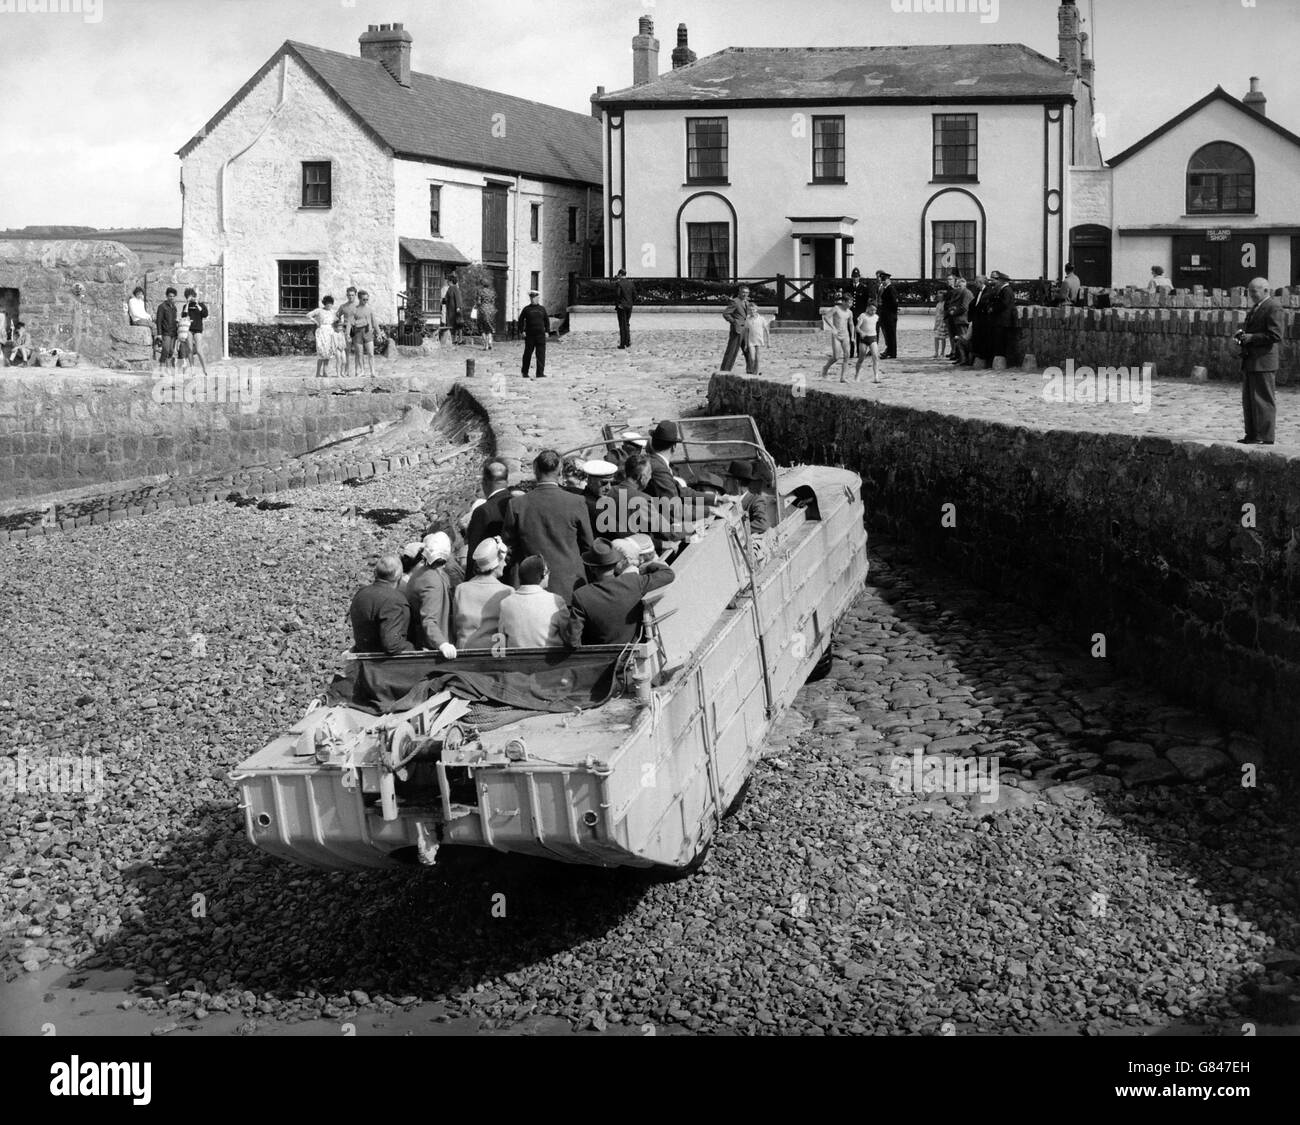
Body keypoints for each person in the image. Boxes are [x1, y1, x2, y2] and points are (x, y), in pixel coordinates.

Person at [501, 448, 594, 602]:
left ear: (535, 470)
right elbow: (588, 546)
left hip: (532, 588)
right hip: (570, 587)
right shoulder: (576, 502)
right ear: (560, 471)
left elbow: (507, 548)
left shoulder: (516, 505)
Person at [563, 539, 676, 648]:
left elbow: (572, 641)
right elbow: (668, 574)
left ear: (592, 568)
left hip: (603, 660)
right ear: (615, 564)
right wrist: (647, 566)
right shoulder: (633, 581)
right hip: (635, 653)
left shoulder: (581, 595)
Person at [1234, 277, 1283, 446]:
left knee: (1263, 400)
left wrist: (1252, 337)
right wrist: (1243, 337)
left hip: (1264, 361)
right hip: (1251, 360)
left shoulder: (1273, 307)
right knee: (1249, 400)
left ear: (1265, 291)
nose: (1252, 295)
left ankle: (1266, 436)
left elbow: (1275, 335)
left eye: (1254, 291)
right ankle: (1252, 434)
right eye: (1250, 291)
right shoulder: (1257, 307)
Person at [406, 532, 462, 657]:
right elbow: (429, 620)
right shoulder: (432, 580)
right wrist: (442, 643)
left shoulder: (422, 572)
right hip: (432, 647)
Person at [349, 555, 415, 654]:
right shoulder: (394, 600)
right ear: (399, 576)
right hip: (384, 664)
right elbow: (392, 645)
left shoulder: (361, 593)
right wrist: (414, 648)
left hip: (363, 656)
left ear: (375, 573)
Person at [498, 554, 568, 648]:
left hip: (517, 661)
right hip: (550, 660)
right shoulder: (557, 601)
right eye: (548, 571)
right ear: (542, 575)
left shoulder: (505, 603)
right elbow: (569, 636)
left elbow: (501, 638)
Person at [453, 537, 512, 647]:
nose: (505, 564)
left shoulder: (461, 589)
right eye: (503, 560)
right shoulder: (507, 592)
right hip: (494, 654)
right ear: (497, 563)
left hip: (463, 652)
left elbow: (454, 628)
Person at [465, 459, 512, 563]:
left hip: (490, 572)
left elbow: (474, 554)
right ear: (507, 481)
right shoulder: (517, 504)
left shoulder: (482, 511)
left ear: (485, 482)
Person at [726, 460, 778, 533]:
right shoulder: (727, 500)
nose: (725, 483)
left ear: (736, 482)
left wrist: (737, 529)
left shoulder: (756, 500)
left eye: (728, 480)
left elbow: (763, 524)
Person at [719, 285, 752, 372]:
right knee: (732, 351)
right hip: (737, 330)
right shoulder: (735, 302)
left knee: (748, 350)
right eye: (743, 292)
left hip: (746, 330)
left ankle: (751, 370)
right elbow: (726, 313)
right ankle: (725, 370)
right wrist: (734, 322)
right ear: (739, 292)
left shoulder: (747, 303)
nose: (745, 294)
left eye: (747, 293)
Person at [821, 293, 853, 381]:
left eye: (851, 302)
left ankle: (843, 377)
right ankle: (825, 368)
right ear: (843, 302)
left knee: (847, 355)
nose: (850, 304)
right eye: (849, 303)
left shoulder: (850, 312)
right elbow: (826, 317)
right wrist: (833, 327)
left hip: (845, 335)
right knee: (836, 357)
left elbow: (851, 324)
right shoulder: (836, 308)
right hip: (836, 335)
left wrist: (853, 336)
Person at [519, 288, 550, 378]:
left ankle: (540, 373)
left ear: (538, 298)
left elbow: (546, 321)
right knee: (527, 354)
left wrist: (547, 331)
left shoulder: (542, 309)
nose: (533, 299)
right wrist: (522, 331)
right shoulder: (526, 309)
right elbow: (520, 320)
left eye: (534, 297)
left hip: (540, 335)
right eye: (531, 298)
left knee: (541, 355)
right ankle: (525, 372)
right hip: (530, 335)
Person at [581, 459, 617, 534]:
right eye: (604, 483)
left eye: (611, 483)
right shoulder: (592, 505)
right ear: (590, 481)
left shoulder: (593, 500)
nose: (609, 487)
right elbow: (618, 532)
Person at [944, 275, 973, 361]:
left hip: (962, 320)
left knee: (963, 339)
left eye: (959, 286)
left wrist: (954, 312)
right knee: (957, 338)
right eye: (957, 286)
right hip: (956, 319)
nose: (958, 288)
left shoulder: (966, 293)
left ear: (964, 285)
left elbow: (964, 307)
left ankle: (964, 358)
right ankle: (960, 356)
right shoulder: (958, 293)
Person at [352, 290, 379, 379]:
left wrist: (378, 333)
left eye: (367, 299)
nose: (366, 301)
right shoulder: (355, 309)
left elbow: (374, 322)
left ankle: (372, 371)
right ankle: (362, 371)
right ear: (359, 298)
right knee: (360, 353)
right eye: (364, 299)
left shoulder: (370, 309)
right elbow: (351, 322)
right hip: (358, 333)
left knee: (371, 353)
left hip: (368, 332)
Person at [848, 268, 874, 358]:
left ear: (859, 277)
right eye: (854, 277)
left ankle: (859, 352)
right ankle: (851, 352)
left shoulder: (864, 289)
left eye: (857, 277)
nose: (855, 279)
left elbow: (866, 302)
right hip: (850, 314)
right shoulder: (848, 288)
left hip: (860, 314)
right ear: (852, 277)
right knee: (850, 333)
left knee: (860, 334)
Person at [183, 287, 209, 376]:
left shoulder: (201, 304)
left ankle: (205, 368)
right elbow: (183, 315)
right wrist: (187, 304)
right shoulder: (186, 306)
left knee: (198, 349)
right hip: (189, 329)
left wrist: (197, 304)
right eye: (188, 296)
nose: (191, 298)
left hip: (198, 329)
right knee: (189, 349)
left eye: (192, 296)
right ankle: (192, 369)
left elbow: (205, 314)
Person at [854, 302, 881, 383]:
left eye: (875, 310)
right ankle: (857, 375)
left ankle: (876, 376)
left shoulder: (876, 317)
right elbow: (857, 327)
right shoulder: (863, 315)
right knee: (861, 358)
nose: (873, 312)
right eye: (872, 310)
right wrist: (861, 332)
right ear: (868, 308)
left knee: (875, 357)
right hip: (864, 339)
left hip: (873, 338)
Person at [310, 295, 336, 378]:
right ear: (324, 303)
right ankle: (318, 373)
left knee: (328, 353)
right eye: (327, 303)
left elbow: (338, 319)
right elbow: (308, 315)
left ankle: (325, 371)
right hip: (321, 331)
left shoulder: (332, 312)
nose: (329, 305)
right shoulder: (319, 310)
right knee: (321, 352)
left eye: (331, 303)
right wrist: (316, 322)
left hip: (330, 331)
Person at [875, 271, 898, 359]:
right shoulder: (887, 288)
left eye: (884, 280)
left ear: (888, 279)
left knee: (891, 335)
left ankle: (892, 353)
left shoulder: (890, 288)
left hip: (890, 316)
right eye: (882, 279)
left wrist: (891, 313)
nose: (883, 281)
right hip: (887, 315)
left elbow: (894, 303)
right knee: (888, 335)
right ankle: (890, 351)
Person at [155, 287, 179, 371]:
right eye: (170, 296)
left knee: (171, 351)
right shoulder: (162, 307)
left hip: (174, 332)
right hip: (166, 332)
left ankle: (168, 368)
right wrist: (159, 334)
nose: (171, 297)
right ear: (166, 296)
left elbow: (174, 320)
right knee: (165, 349)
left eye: (173, 296)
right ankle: (161, 368)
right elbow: (158, 321)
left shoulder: (174, 308)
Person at [337, 287, 359, 375]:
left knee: (358, 350)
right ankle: (347, 370)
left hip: (356, 329)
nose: (350, 297)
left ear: (355, 295)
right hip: (346, 329)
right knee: (347, 351)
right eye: (349, 295)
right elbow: (336, 317)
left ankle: (357, 370)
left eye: (352, 295)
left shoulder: (358, 306)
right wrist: (339, 326)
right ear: (347, 295)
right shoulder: (343, 306)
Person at [744, 304, 769, 375]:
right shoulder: (747, 319)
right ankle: (752, 369)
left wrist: (768, 342)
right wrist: (746, 344)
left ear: (756, 309)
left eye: (753, 310)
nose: (752, 311)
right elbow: (746, 332)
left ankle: (755, 372)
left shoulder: (761, 319)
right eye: (750, 310)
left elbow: (767, 330)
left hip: (759, 340)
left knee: (757, 358)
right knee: (752, 358)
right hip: (751, 341)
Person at [614, 268, 636, 349]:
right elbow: (634, 295)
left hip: (622, 307)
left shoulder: (619, 283)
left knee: (622, 325)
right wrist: (631, 303)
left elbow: (617, 295)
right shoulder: (631, 283)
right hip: (629, 306)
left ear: (620, 274)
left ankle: (623, 343)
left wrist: (618, 304)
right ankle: (628, 341)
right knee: (627, 323)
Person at [441, 274, 461, 339]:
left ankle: (458, 339)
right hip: (450, 308)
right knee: (451, 323)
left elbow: (458, 298)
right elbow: (446, 298)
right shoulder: (450, 288)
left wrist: (458, 307)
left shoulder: (455, 288)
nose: (447, 282)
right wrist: (443, 301)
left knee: (457, 323)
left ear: (451, 281)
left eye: (448, 281)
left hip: (454, 308)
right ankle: (453, 338)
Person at [932, 292, 949, 359]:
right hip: (938, 321)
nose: (939, 298)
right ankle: (936, 352)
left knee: (942, 337)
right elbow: (936, 314)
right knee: (936, 337)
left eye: (940, 297)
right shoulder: (938, 304)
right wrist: (935, 324)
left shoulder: (944, 304)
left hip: (943, 321)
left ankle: (942, 352)